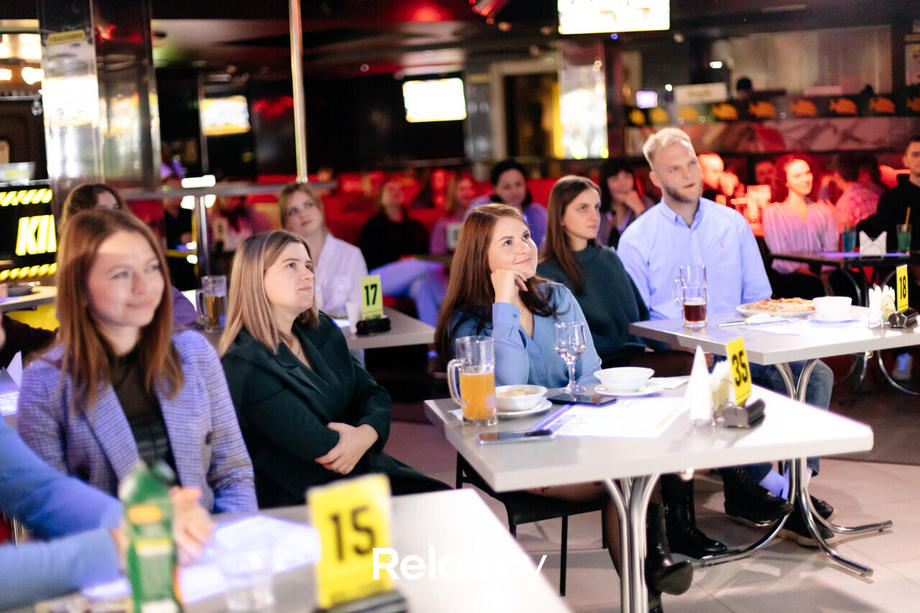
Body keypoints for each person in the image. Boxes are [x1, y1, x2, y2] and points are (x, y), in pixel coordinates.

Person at [435, 204, 692, 609]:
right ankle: (653, 572)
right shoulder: (469, 322)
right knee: (626, 477)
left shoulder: (555, 296)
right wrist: (504, 302)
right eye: (508, 242)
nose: (525, 247)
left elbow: (589, 372)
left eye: (524, 236)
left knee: (638, 459)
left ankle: (650, 583)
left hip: (574, 432)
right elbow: (510, 386)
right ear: (479, 257)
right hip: (517, 449)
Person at [618, 128, 837, 546]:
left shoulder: (731, 222)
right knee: (732, 388)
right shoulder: (638, 238)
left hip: (740, 345)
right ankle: (781, 493)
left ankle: (796, 486)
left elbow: (758, 298)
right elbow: (638, 320)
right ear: (655, 179)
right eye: (674, 168)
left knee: (817, 374)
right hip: (684, 356)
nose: (687, 174)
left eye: (691, 164)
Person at [16, 209, 256, 514]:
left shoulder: (195, 353)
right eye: (120, 274)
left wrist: (227, 544)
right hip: (110, 555)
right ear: (80, 289)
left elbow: (233, 474)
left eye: (151, 268)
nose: (144, 286)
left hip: (207, 547)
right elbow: (48, 510)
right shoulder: (45, 383)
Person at [537, 175, 726, 560]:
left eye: (596, 207)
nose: (594, 216)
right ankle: (675, 527)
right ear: (560, 217)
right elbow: (562, 346)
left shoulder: (609, 258)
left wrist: (683, 347)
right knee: (684, 377)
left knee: (696, 373)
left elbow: (641, 319)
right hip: (599, 366)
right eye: (582, 208)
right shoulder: (550, 272)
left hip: (633, 357)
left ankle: (683, 520)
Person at [219, 231, 449, 508]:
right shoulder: (243, 362)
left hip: (360, 471)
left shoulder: (319, 329)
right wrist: (366, 430)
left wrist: (365, 434)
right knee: (444, 510)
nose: (307, 275)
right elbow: (319, 445)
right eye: (291, 265)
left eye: (307, 265)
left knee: (453, 507)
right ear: (256, 279)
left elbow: (374, 395)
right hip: (305, 499)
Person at [60, 183, 198, 328]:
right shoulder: (79, 267)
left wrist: (160, 333)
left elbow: (178, 302)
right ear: (83, 220)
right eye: (103, 211)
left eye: (116, 209)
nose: (114, 216)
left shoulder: (133, 252)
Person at [358, 179, 447, 326]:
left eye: (398, 189)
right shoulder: (373, 225)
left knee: (422, 287)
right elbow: (368, 258)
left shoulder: (415, 226)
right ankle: (453, 307)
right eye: (390, 190)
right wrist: (401, 260)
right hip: (377, 278)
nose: (396, 192)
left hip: (411, 277)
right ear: (381, 199)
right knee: (428, 266)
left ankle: (435, 346)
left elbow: (423, 253)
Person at [279, 182, 368, 317]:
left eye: (308, 205)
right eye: (293, 211)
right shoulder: (281, 262)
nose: (303, 214)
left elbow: (362, 311)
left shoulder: (351, 255)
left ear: (320, 208)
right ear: (286, 223)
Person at [762, 155, 838, 299]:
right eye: (797, 176)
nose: (805, 179)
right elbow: (781, 255)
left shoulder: (823, 210)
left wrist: (825, 276)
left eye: (807, 173)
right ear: (785, 181)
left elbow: (831, 248)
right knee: (810, 286)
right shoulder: (773, 212)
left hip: (821, 272)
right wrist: (817, 279)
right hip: (790, 276)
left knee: (852, 282)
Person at [468, 159, 549, 249]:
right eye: (507, 187)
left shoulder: (539, 214)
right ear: (495, 189)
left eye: (518, 184)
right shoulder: (483, 212)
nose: (514, 192)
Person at [858, 135, 920, 252]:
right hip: (902, 265)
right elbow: (885, 242)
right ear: (905, 161)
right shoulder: (892, 198)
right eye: (916, 155)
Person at [597, 158, 654, 248]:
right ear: (605, 183)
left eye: (627, 176)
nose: (622, 184)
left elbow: (653, 240)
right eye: (615, 179)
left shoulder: (646, 203)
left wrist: (639, 210)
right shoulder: (597, 210)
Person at [830, 153, 881, 232]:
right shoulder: (874, 195)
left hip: (859, 243)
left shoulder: (846, 200)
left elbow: (844, 233)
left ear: (836, 175)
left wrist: (832, 217)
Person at [430, 171, 477, 255]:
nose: (467, 193)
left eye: (470, 188)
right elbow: (437, 255)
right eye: (462, 189)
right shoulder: (443, 224)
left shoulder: (480, 220)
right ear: (453, 192)